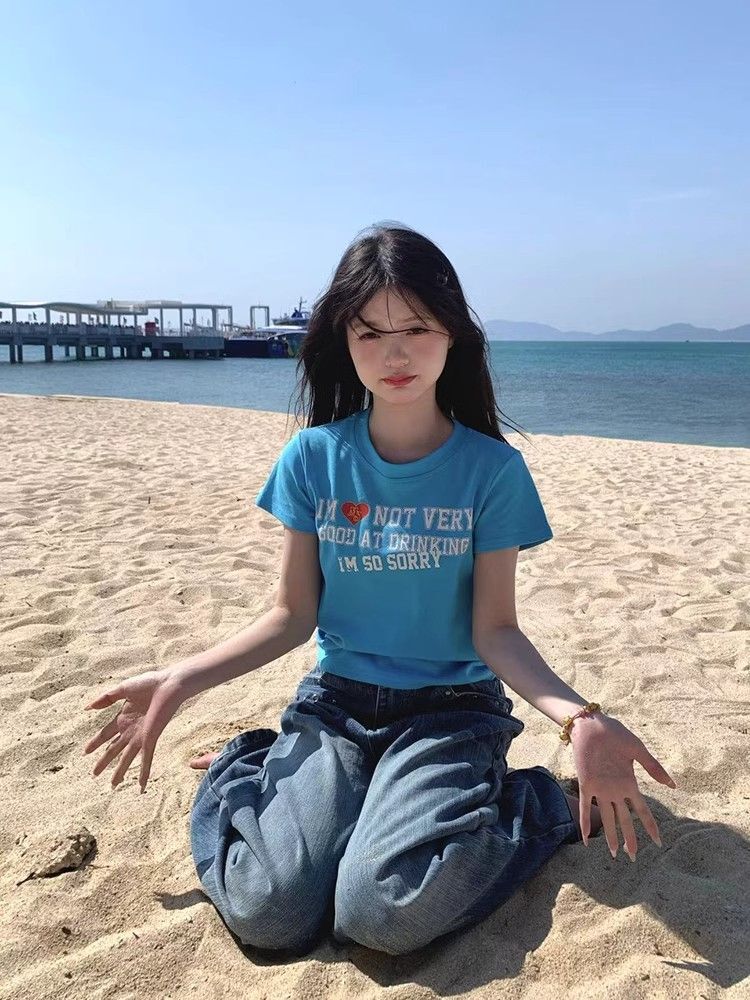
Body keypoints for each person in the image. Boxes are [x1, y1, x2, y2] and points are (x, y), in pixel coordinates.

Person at [82, 222, 677, 958]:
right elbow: (291, 615)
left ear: (452, 335)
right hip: (336, 706)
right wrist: (182, 678)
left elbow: (496, 631)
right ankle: (247, 762)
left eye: (416, 329)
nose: (395, 355)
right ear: (345, 341)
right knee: (270, 911)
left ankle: (539, 801)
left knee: (382, 911)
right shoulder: (313, 458)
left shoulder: (492, 471)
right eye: (370, 333)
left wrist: (579, 719)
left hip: (452, 711)